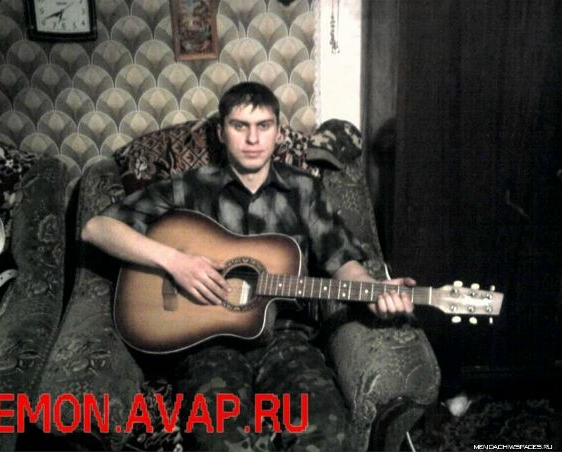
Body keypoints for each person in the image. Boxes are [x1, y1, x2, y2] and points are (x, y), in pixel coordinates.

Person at [82, 82, 415, 452]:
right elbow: (96, 229)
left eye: (264, 126)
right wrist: (175, 262)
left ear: (278, 132)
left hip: (287, 340)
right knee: (218, 440)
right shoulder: (191, 188)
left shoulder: (305, 190)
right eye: (240, 126)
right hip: (207, 345)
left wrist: (374, 292)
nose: (253, 139)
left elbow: (343, 263)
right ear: (221, 133)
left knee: (327, 433)